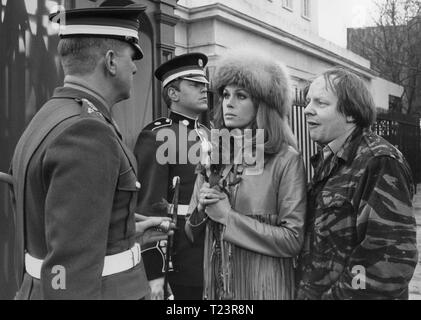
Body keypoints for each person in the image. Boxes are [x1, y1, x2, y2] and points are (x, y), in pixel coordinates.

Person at [10, 6, 173, 300]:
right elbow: (69, 267)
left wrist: (126, 233)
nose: (135, 68)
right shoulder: (87, 132)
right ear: (110, 61)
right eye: (131, 56)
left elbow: (61, 226)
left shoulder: (52, 115)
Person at [185, 50, 307, 300]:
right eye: (226, 95)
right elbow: (190, 230)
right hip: (218, 291)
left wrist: (228, 217)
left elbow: (293, 240)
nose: (228, 103)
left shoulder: (286, 160)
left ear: (263, 105)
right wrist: (200, 208)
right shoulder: (214, 156)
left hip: (264, 289)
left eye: (241, 96)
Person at [296, 67, 418, 300]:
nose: (307, 110)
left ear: (351, 113)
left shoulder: (378, 161)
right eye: (308, 101)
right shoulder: (330, 158)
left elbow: (387, 264)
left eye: (320, 103)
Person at [134, 53, 210, 300]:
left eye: (205, 85)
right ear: (173, 94)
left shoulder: (209, 134)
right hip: (180, 258)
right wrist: (155, 273)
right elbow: (149, 206)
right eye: (195, 85)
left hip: (211, 254)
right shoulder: (157, 135)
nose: (204, 89)